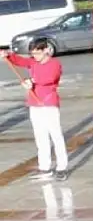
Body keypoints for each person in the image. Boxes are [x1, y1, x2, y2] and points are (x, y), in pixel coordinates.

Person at [1, 39, 68, 181]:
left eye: (38, 53)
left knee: (56, 135)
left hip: (49, 103)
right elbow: (20, 61)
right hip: (34, 104)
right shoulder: (33, 62)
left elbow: (50, 78)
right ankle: (45, 167)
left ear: (46, 50)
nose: (35, 56)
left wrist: (32, 81)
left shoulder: (54, 64)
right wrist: (8, 55)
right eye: (33, 54)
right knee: (40, 137)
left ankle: (62, 167)